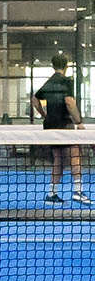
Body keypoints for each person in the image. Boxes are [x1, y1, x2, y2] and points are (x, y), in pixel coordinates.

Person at [32, 53, 91, 205]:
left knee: (58, 159)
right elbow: (69, 102)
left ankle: (52, 194)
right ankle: (78, 192)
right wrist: (79, 122)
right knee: (75, 155)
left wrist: (45, 115)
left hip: (50, 126)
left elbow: (34, 100)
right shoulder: (67, 81)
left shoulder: (49, 82)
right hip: (64, 125)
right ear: (67, 65)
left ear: (53, 66)